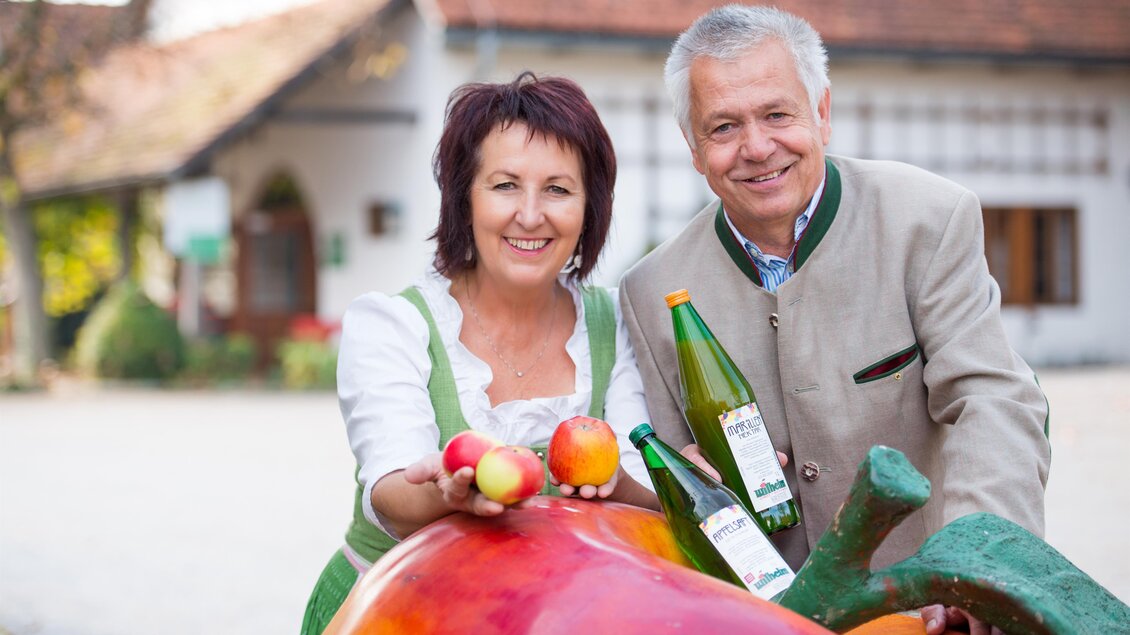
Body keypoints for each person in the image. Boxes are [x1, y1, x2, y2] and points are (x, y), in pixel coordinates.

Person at [618, 6, 1051, 635]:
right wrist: (685, 471)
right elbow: (678, 491)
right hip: (767, 620)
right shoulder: (649, 289)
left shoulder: (928, 220)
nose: (757, 147)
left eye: (777, 113)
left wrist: (973, 571)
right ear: (692, 149)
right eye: (723, 126)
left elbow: (992, 399)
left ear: (821, 113)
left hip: (929, 611)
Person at [301, 72, 659, 634]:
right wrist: (449, 494)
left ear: (591, 207)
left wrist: (627, 483)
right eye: (505, 185)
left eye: (559, 189)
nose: (531, 214)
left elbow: (647, 490)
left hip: (556, 617)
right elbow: (391, 493)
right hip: (396, 614)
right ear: (463, 197)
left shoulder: (619, 321)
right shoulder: (393, 325)